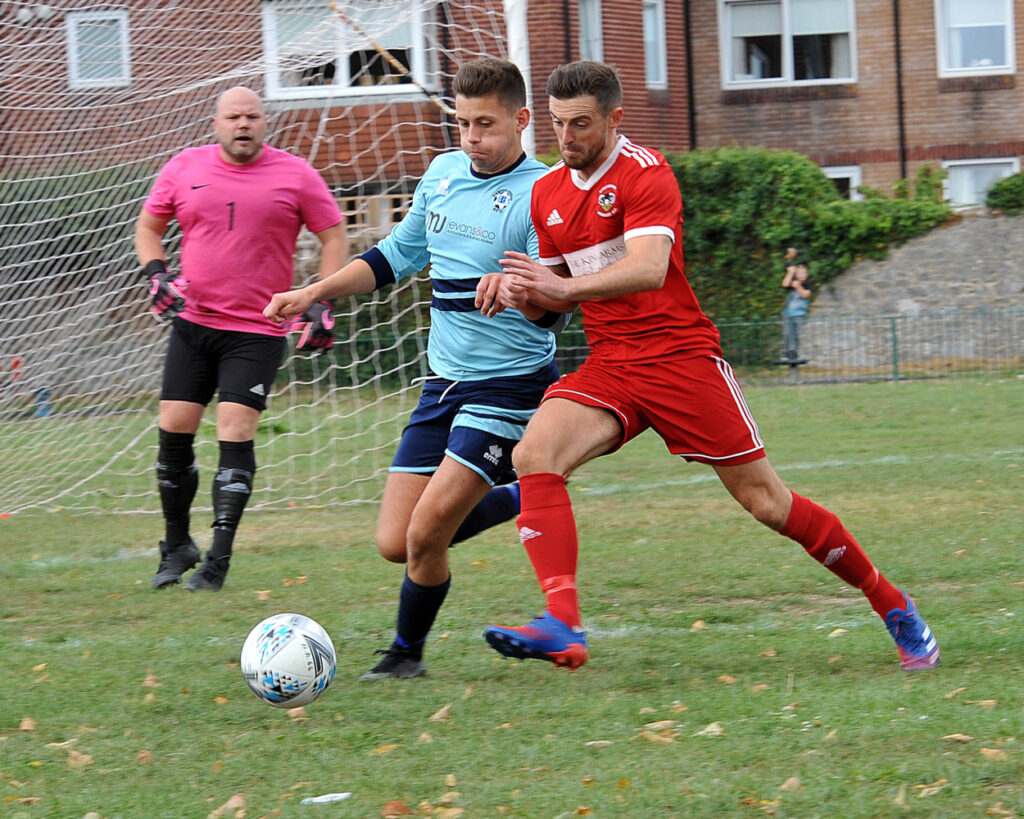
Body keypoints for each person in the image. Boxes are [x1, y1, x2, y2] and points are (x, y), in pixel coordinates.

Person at [478, 60, 939, 673]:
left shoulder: (647, 173)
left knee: (768, 504)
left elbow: (647, 267)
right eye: (559, 125)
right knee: (534, 456)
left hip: (679, 359)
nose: (567, 139)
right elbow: (553, 303)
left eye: (582, 124)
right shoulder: (547, 193)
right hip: (612, 362)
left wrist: (557, 292)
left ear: (615, 119)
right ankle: (562, 623)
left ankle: (891, 603)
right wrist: (521, 292)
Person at [264, 58, 565, 680]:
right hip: (443, 382)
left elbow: (553, 308)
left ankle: (405, 655)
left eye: (485, 123)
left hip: (509, 386)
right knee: (396, 542)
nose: (472, 137)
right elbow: (393, 256)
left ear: (522, 119)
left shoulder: (544, 192)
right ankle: (512, 494)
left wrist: (515, 285)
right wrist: (314, 292)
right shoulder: (443, 174)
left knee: (428, 532)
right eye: (462, 124)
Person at [136, 86, 347, 592]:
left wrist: (320, 299)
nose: (243, 124)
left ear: (265, 122)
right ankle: (177, 545)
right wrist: (156, 272)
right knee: (175, 430)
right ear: (216, 123)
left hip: (257, 329)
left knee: (234, 429)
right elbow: (149, 226)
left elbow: (335, 235)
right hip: (194, 324)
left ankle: (218, 561)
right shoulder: (183, 167)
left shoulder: (295, 174)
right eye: (233, 117)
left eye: (252, 116)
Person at [781, 262, 811, 363]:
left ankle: (800, 354)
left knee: (799, 335)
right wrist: (790, 272)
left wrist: (798, 286)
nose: (802, 275)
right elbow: (784, 284)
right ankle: (787, 354)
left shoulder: (807, 285)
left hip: (800, 315)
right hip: (788, 314)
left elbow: (805, 295)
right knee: (788, 334)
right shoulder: (791, 284)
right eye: (800, 273)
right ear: (796, 275)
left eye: (804, 273)